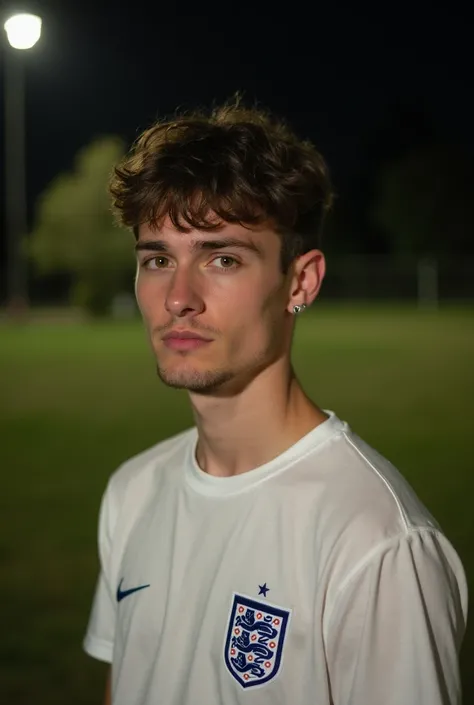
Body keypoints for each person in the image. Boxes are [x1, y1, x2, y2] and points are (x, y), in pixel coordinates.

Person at [83, 99, 468, 705]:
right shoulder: (133, 490)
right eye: (158, 259)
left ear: (301, 282)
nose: (179, 297)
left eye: (223, 258)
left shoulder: (375, 539)